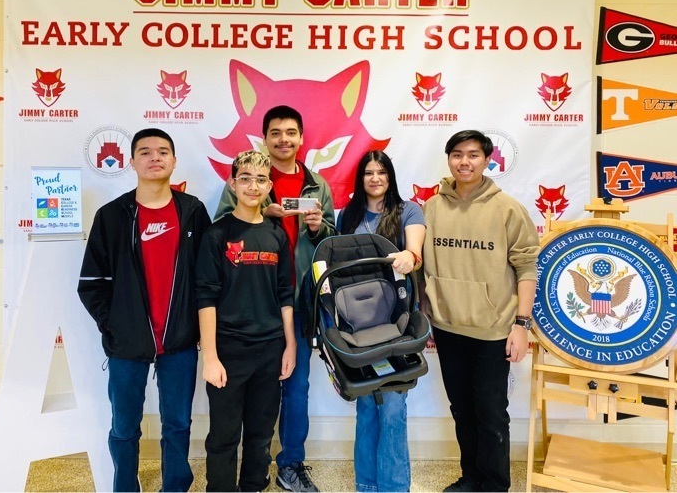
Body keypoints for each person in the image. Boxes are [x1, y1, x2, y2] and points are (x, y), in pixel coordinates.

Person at [77, 128, 211, 492]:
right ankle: (124, 486)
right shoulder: (112, 216)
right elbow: (90, 283)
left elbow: (208, 279)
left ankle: (175, 486)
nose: (155, 157)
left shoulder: (193, 212)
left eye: (163, 151)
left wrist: (196, 329)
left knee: (178, 424)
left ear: (174, 161)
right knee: (124, 426)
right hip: (126, 344)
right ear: (132, 161)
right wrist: (115, 325)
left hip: (180, 341)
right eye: (146, 152)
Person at [214, 105, 336, 492]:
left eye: (291, 133)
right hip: (251, 303)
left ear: (302, 138)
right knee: (252, 392)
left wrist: (317, 228)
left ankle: (291, 463)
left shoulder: (318, 186)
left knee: (296, 387)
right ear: (264, 138)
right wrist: (257, 212)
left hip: (299, 302)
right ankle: (255, 464)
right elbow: (219, 232)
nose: (284, 139)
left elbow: (331, 245)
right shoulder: (249, 179)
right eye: (276, 133)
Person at [421, 130, 540, 493]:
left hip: (492, 331)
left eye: (473, 155)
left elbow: (527, 268)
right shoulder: (432, 207)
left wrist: (521, 324)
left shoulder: (507, 209)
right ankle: (471, 477)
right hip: (446, 326)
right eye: (457, 154)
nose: (464, 162)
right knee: (462, 410)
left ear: (487, 160)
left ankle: (494, 484)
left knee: (490, 415)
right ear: (449, 159)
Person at [197, 150, 297, 492]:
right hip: (228, 350)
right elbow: (205, 297)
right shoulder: (216, 235)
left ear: (269, 185)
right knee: (224, 436)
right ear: (232, 183)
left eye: (260, 179)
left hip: (270, 350)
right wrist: (209, 357)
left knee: (260, 434)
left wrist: (291, 345)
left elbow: (286, 293)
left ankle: (254, 485)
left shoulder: (276, 235)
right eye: (245, 178)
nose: (252, 186)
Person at [337, 150, 426, 493]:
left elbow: (415, 251)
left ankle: (393, 488)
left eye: (381, 172)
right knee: (366, 405)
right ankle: (366, 486)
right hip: (356, 329)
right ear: (361, 179)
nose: (375, 178)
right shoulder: (349, 215)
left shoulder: (409, 211)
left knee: (391, 405)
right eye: (368, 173)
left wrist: (409, 254)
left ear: (390, 177)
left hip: (395, 324)